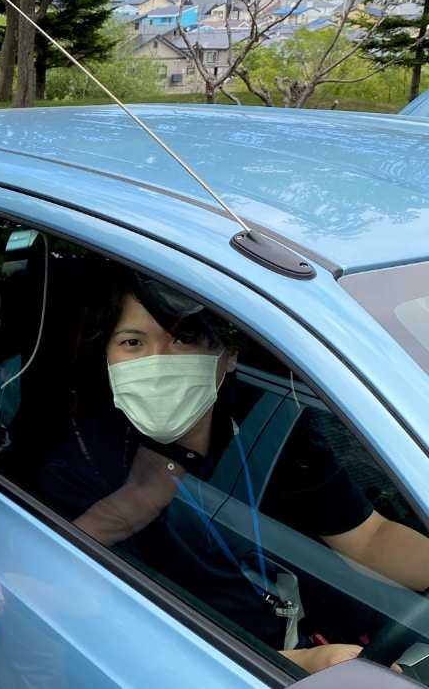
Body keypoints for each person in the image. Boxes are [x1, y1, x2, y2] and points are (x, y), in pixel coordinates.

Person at [39, 270, 429, 676]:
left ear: (229, 355)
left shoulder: (268, 425)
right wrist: (301, 665)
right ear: (106, 354)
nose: (159, 361)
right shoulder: (82, 468)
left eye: (184, 338)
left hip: (305, 641)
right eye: (133, 343)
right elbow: (122, 638)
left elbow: (369, 537)